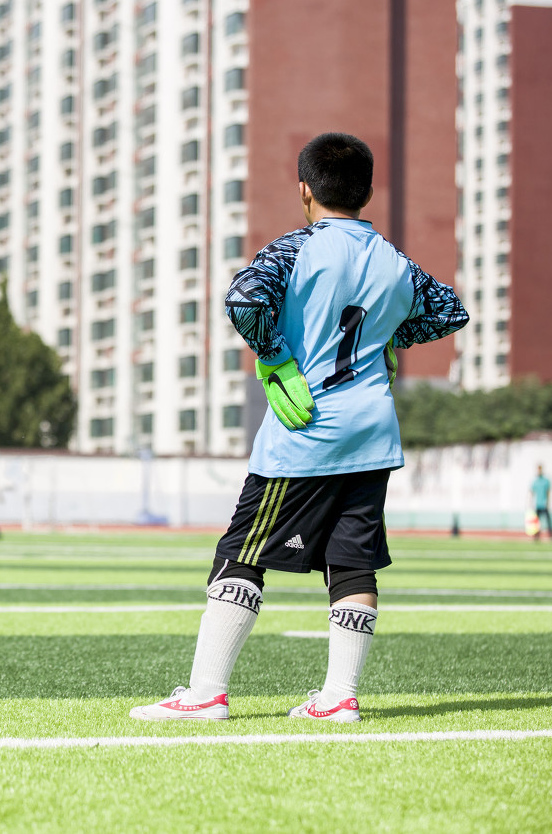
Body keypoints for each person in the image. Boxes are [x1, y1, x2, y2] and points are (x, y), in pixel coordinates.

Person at [131, 133, 468, 723]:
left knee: (242, 551)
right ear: (366, 192)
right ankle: (340, 697)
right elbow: (450, 312)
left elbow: (243, 300)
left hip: (306, 427)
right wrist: (391, 339)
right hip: (372, 431)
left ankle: (206, 693)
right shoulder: (395, 260)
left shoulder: (296, 248)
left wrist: (276, 355)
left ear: (305, 190)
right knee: (353, 560)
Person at [530, 465, 552, 541]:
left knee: (548, 521)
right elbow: (532, 492)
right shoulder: (535, 481)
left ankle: (551, 536)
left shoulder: (545, 481)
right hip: (537, 505)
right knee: (536, 522)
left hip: (544, 504)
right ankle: (536, 536)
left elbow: (548, 492)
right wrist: (531, 503)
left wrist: (547, 502)